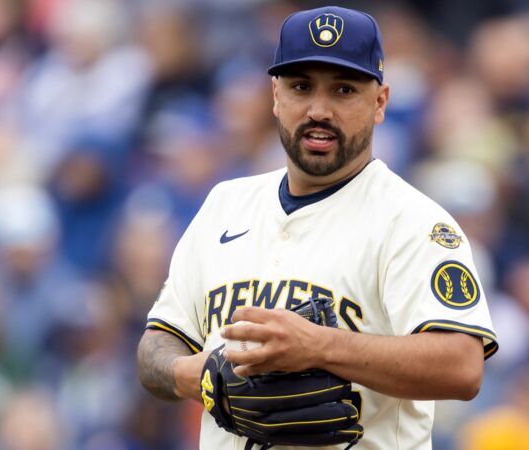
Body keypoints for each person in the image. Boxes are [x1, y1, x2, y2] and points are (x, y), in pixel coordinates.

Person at [137, 6, 498, 449]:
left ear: (380, 101)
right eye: (301, 87)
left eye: (344, 90)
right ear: (275, 95)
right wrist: (201, 376)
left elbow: (462, 367)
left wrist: (321, 347)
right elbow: (155, 348)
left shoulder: (414, 222)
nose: (319, 110)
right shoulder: (224, 205)